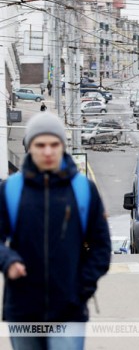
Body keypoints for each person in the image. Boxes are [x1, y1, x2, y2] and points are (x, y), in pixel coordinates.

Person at [0, 113, 111, 349]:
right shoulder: (11, 189)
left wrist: (82, 288)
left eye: (54, 144)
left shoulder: (82, 189)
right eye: (40, 145)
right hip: (22, 309)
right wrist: (8, 260)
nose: (48, 151)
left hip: (68, 310)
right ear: (30, 147)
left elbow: (101, 247)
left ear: (63, 146)